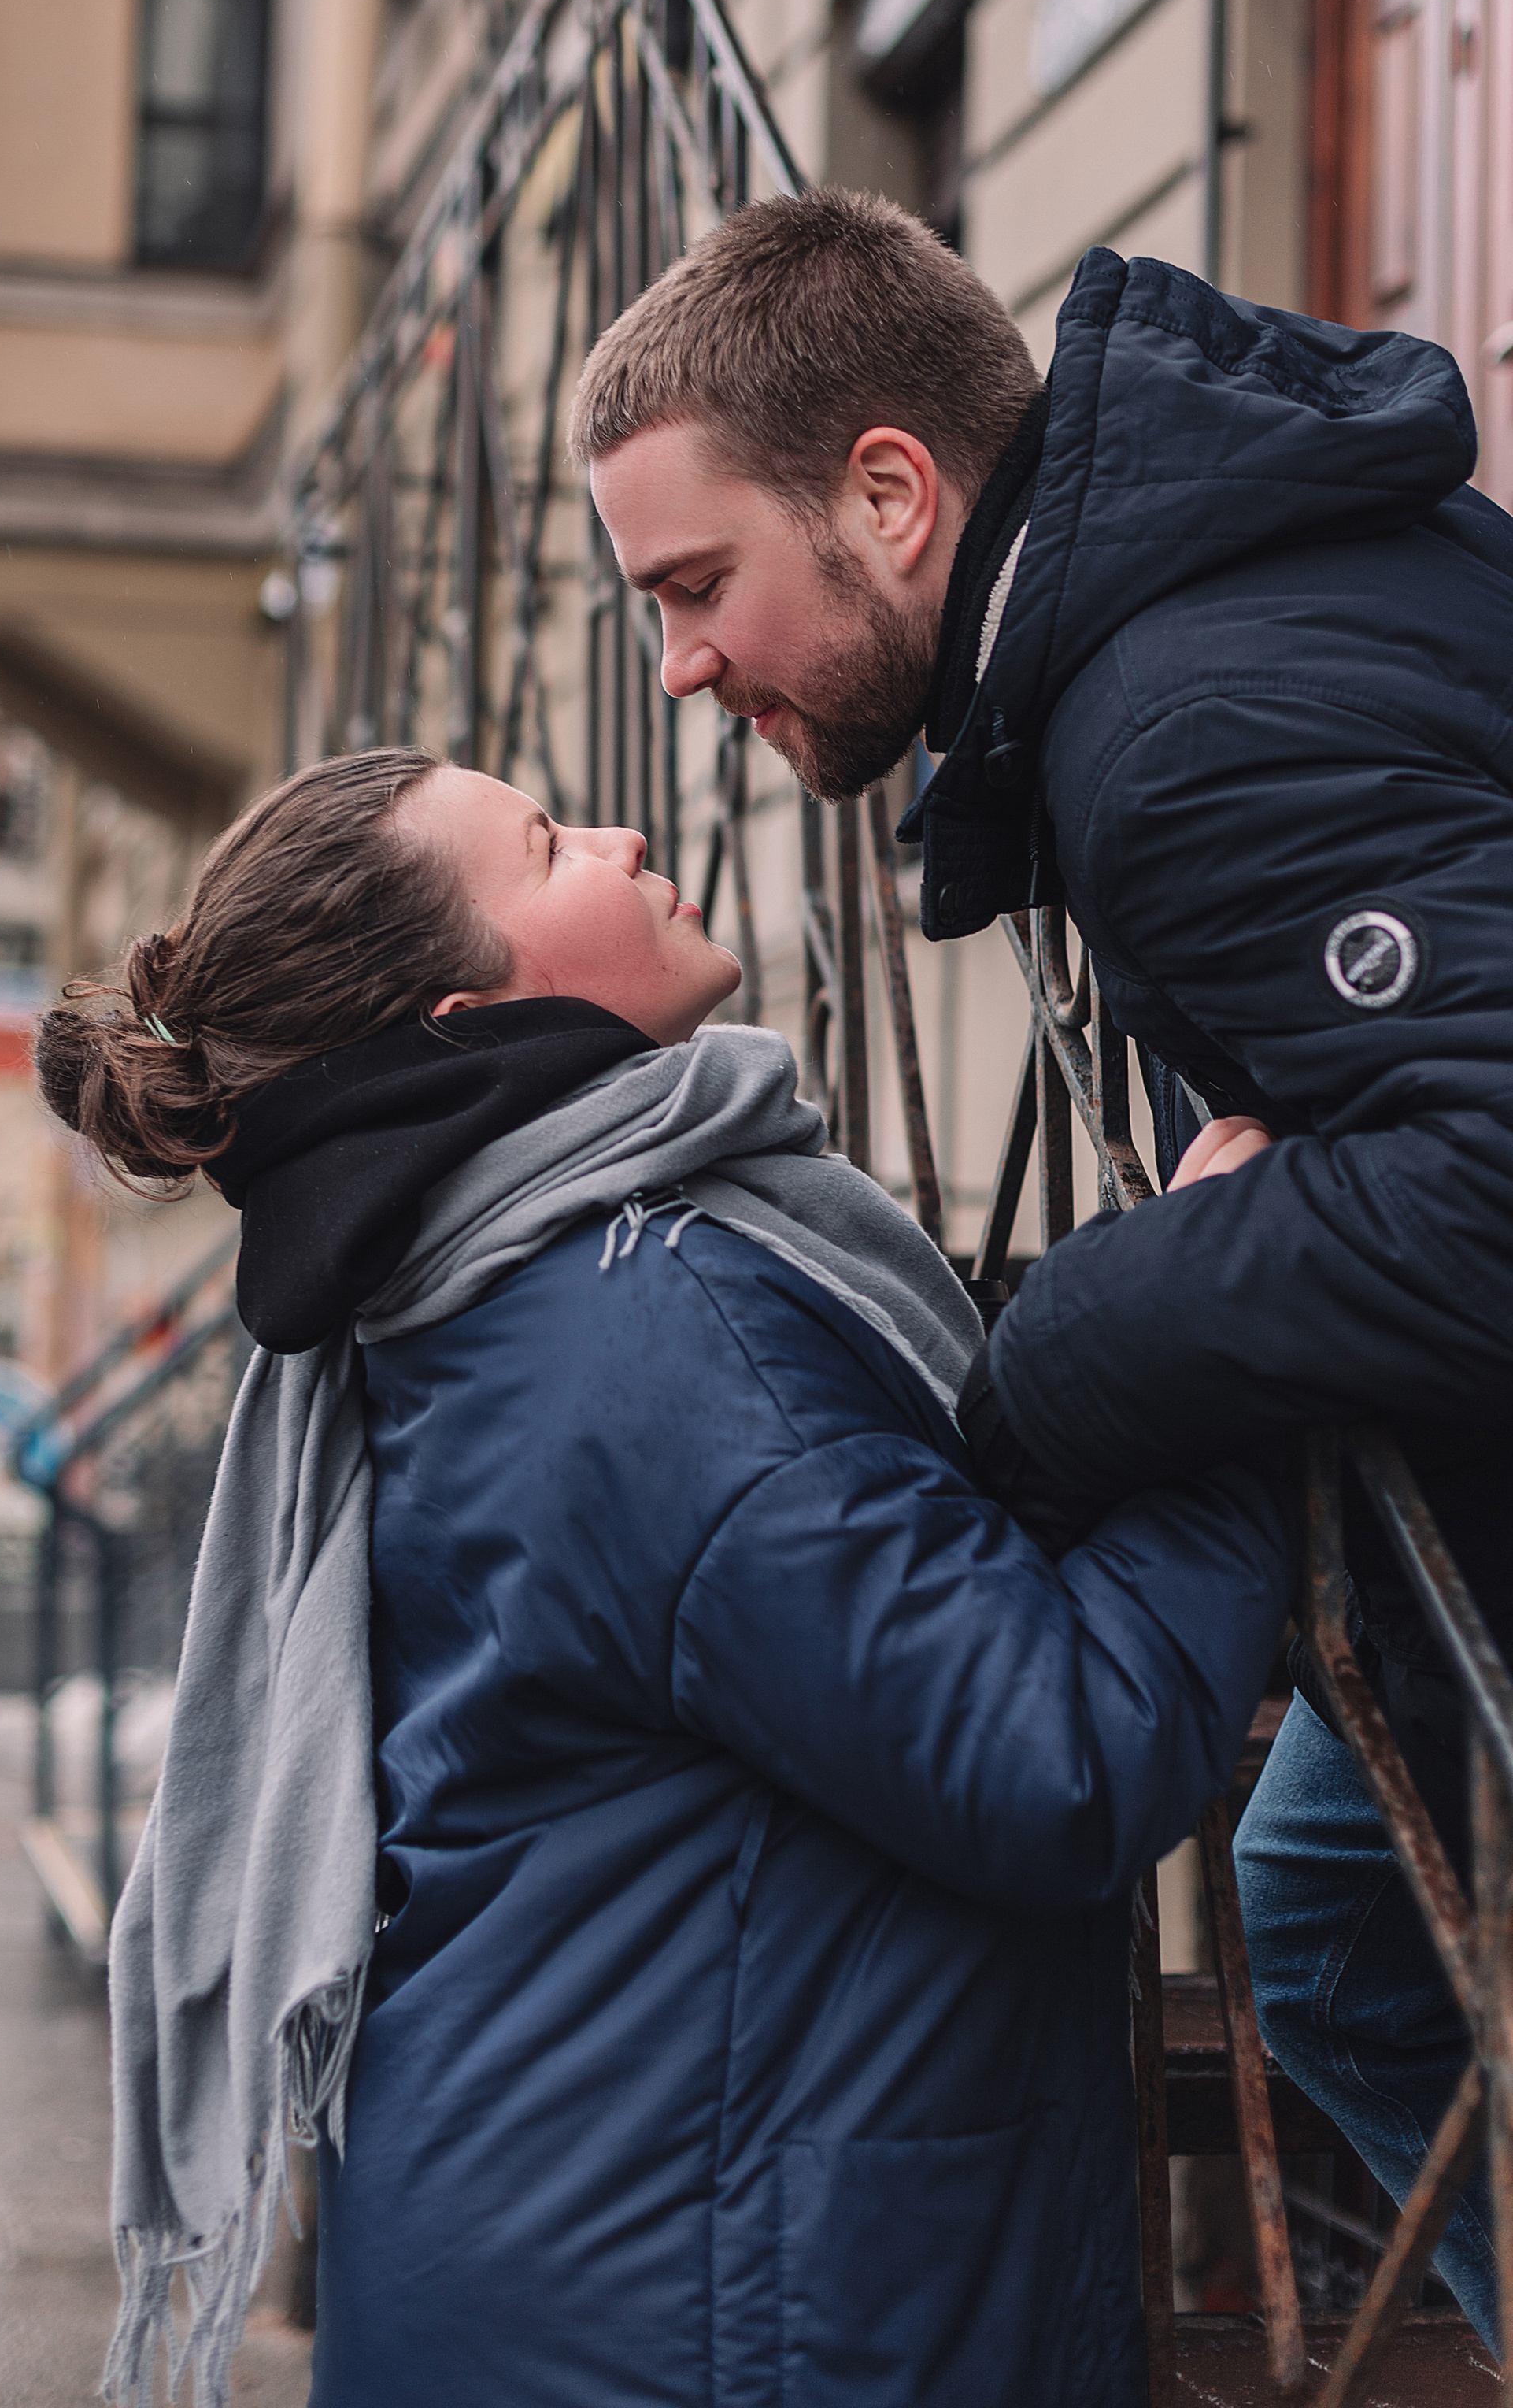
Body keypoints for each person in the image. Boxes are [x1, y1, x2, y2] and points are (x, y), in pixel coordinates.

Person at [36, 746, 1292, 2408]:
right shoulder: (647, 1336)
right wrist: (1224, 1349)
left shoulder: (490, 1288)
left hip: (590, 2236)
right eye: (549, 845)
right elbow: (1047, 1754)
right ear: (461, 1019)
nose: (624, 835)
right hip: (707, 2301)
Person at [574, 187, 1511, 2343]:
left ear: (891, 497)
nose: (682, 667)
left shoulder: (1178, 724)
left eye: (699, 585)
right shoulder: (1187, 626)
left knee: (1343, 1938)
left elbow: (1487, 1180)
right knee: (1332, 1917)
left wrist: (1065, 1346)